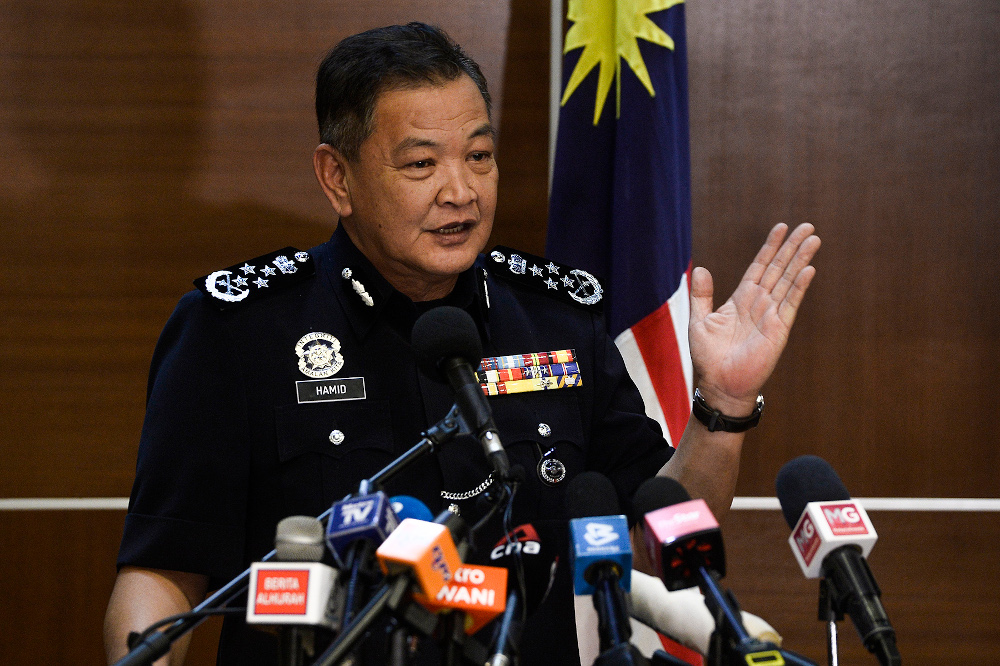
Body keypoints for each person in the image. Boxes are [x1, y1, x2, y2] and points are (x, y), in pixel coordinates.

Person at [104, 22, 820, 666]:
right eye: (421, 165)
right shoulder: (239, 330)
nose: (461, 191)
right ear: (337, 178)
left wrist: (722, 409)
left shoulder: (558, 320)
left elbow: (660, 537)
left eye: (479, 156)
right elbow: (164, 571)